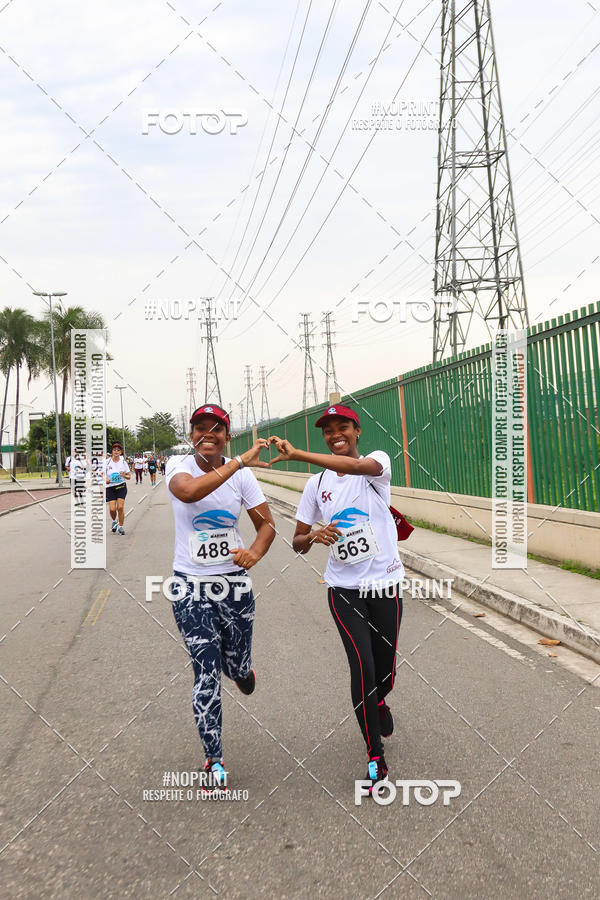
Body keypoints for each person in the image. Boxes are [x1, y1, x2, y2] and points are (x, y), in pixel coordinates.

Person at [270, 404, 404, 792]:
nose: (335, 435)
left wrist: (296, 455)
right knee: (361, 667)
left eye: (342, 427)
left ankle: (380, 702)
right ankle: (374, 753)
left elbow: (357, 468)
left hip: (385, 585)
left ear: (356, 430)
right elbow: (296, 543)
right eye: (328, 431)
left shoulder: (377, 464)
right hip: (343, 590)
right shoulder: (315, 486)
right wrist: (314, 535)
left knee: (385, 672)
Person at [166, 404, 275, 788]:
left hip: (234, 585)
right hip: (190, 586)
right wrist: (240, 462)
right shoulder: (178, 468)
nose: (207, 433)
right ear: (191, 434)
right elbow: (190, 492)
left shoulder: (242, 479)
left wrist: (255, 553)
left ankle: (243, 670)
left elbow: (266, 526)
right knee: (206, 671)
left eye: (216, 428)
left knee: (236, 665)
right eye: (199, 427)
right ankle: (214, 760)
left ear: (227, 436)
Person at [105, 441, 131, 534]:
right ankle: (114, 521)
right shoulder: (107, 462)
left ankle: (121, 527)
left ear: (121, 452)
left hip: (121, 487)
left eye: (118, 450)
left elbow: (129, 476)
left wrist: (124, 475)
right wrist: (106, 480)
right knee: (112, 509)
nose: (116, 451)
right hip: (110, 488)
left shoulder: (123, 462)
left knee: (120, 507)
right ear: (112, 451)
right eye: (114, 450)